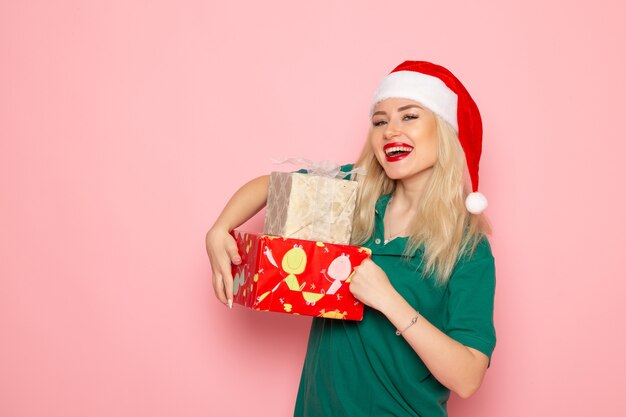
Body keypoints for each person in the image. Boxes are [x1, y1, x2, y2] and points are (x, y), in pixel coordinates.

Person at [206, 61, 496, 417]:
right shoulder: (352, 200)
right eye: (380, 121)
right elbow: (272, 187)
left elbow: (468, 377)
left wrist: (389, 300)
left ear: (444, 129)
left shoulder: (467, 248)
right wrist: (219, 229)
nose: (390, 130)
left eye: (409, 117)